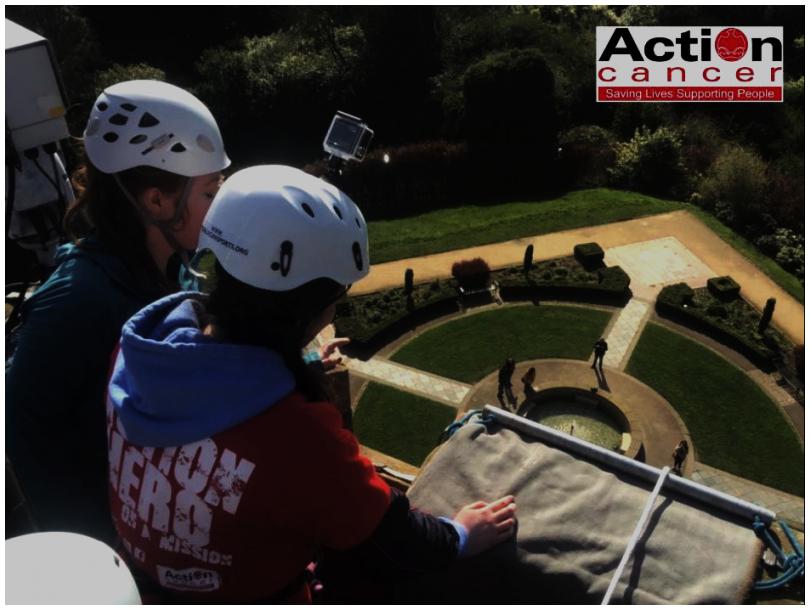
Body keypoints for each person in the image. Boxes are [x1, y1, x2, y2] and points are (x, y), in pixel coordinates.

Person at [105, 166, 518, 603]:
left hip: (145, 587)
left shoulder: (138, 356)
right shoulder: (298, 436)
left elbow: (211, 401)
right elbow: (392, 538)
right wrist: (460, 535)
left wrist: (290, 369)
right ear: (309, 310)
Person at [6, 80, 230, 545]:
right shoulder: (76, 300)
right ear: (156, 201)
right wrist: (92, 546)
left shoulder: (168, 268)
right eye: (210, 192)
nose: (220, 208)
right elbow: (19, 428)